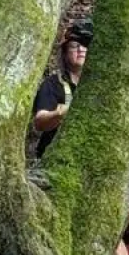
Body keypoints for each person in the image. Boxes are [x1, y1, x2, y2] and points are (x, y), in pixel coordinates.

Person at [30, 20, 92, 157]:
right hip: (54, 157)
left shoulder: (97, 85)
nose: (80, 50)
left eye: (84, 46)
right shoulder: (53, 83)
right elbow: (39, 122)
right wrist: (58, 114)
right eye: (75, 46)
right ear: (64, 53)